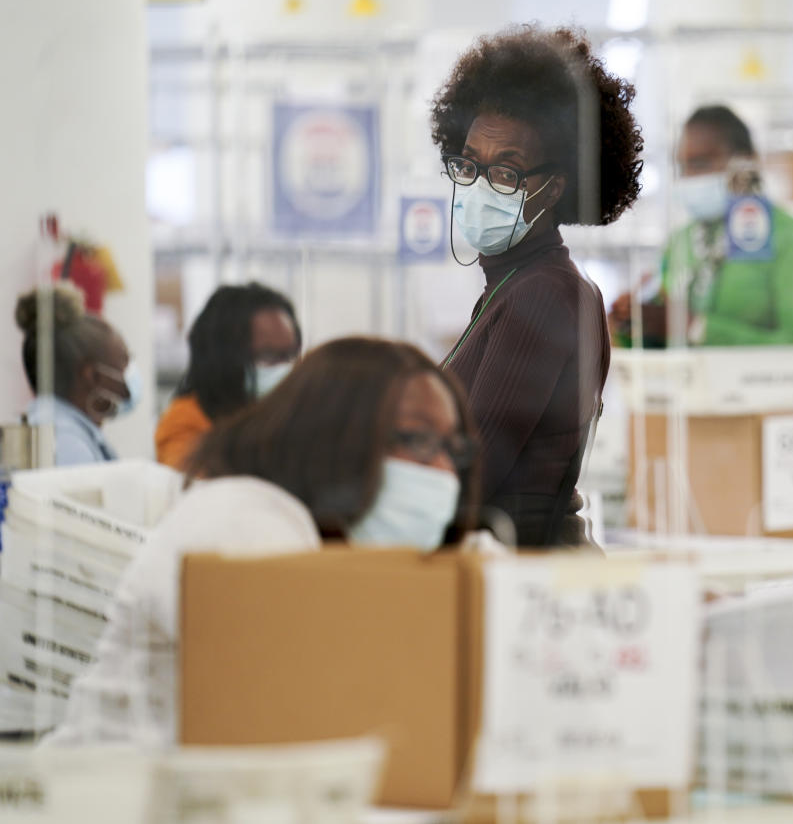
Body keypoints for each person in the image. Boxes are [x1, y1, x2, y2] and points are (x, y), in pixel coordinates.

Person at [43, 337, 480, 746]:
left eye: (451, 448)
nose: (443, 472)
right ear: (332, 435)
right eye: (417, 440)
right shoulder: (242, 522)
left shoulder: (327, 540)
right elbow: (313, 703)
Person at [430, 24, 643, 547]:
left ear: (555, 186)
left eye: (507, 172)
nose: (480, 187)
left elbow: (473, 471)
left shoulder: (545, 294)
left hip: (525, 580)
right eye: (469, 166)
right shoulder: (514, 285)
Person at [610, 105, 793, 347]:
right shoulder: (681, 241)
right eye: (683, 167)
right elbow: (662, 345)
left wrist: (696, 327)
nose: (689, 178)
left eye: (701, 164)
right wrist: (632, 323)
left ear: (747, 161)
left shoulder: (788, 238)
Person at [156, 282, 301, 470]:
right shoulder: (185, 420)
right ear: (222, 356)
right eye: (268, 356)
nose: (284, 369)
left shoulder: (286, 414)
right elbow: (198, 487)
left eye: (290, 356)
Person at [14, 284, 138, 465]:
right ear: (93, 376)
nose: (130, 374)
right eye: (124, 362)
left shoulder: (47, 427)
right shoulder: (66, 443)